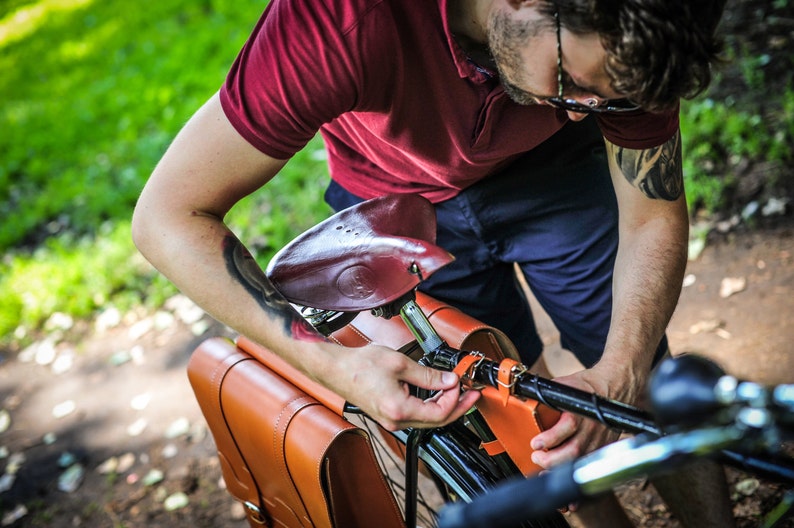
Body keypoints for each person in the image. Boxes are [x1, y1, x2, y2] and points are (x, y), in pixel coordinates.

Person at [132, 0, 731, 525]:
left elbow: (651, 214)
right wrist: (332, 367)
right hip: (394, 200)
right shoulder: (340, 21)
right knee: (502, 412)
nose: (583, 110)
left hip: (556, 175)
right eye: (571, 82)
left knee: (649, 379)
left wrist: (622, 370)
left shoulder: (624, 42)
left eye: (606, 97)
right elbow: (167, 216)